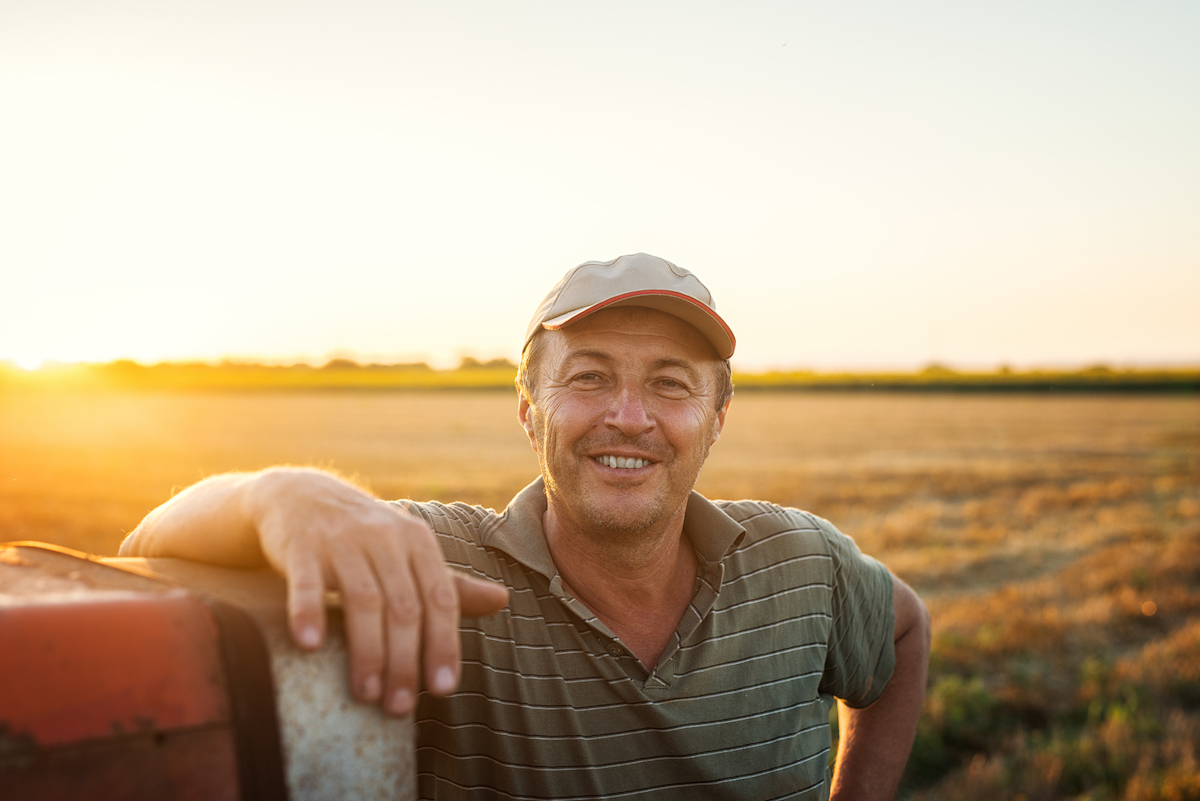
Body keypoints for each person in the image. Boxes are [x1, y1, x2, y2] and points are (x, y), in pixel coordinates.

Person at [120, 253, 931, 800]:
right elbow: (146, 544)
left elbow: (903, 632)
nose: (628, 416)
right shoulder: (433, 566)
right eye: (589, 377)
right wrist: (277, 496)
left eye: (670, 384)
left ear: (717, 416)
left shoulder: (799, 561)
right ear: (527, 408)